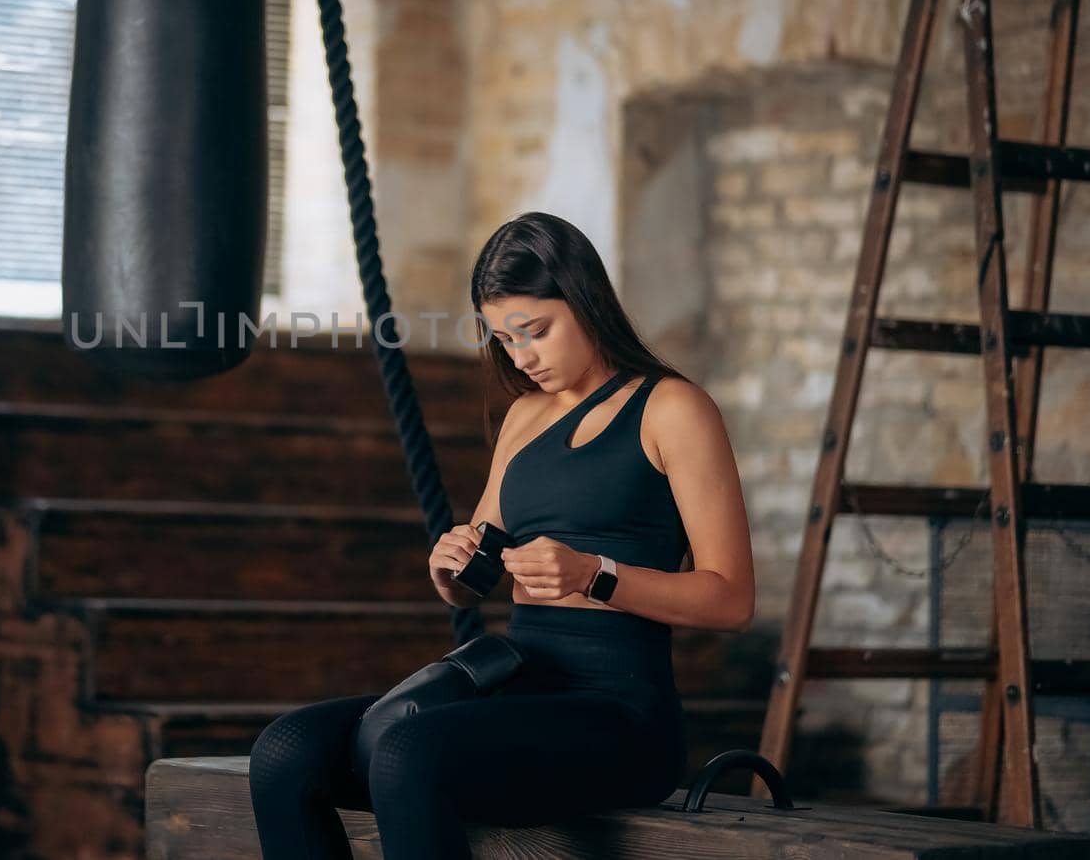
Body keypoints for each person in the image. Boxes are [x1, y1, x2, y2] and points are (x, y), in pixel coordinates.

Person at [247, 210, 756, 860]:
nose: (521, 357)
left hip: (621, 713)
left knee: (410, 756)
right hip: (518, 684)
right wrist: (451, 566)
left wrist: (594, 573)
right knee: (285, 752)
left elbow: (732, 597)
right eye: (505, 339)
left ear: (584, 301)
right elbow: (477, 578)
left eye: (535, 331)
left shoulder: (672, 408)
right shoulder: (523, 416)